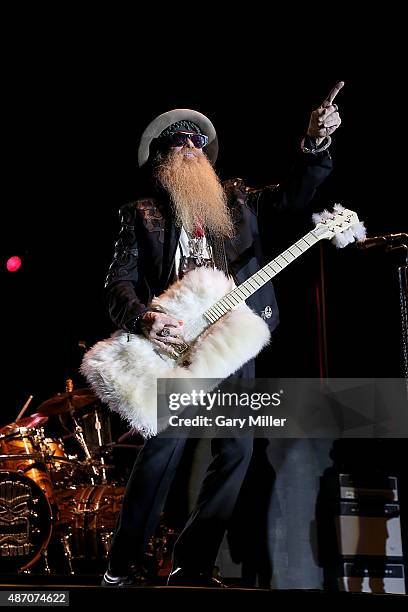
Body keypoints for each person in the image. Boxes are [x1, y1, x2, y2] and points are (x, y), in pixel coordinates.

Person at [101, 82, 344, 587]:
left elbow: (296, 194)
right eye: (177, 144)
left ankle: (193, 561)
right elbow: (118, 282)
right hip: (175, 346)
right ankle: (122, 564)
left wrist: (316, 142)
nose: (190, 150)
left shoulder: (237, 199)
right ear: (160, 159)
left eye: (196, 143)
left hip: (231, 342)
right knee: (164, 448)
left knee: (237, 449)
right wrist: (144, 317)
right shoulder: (141, 213)